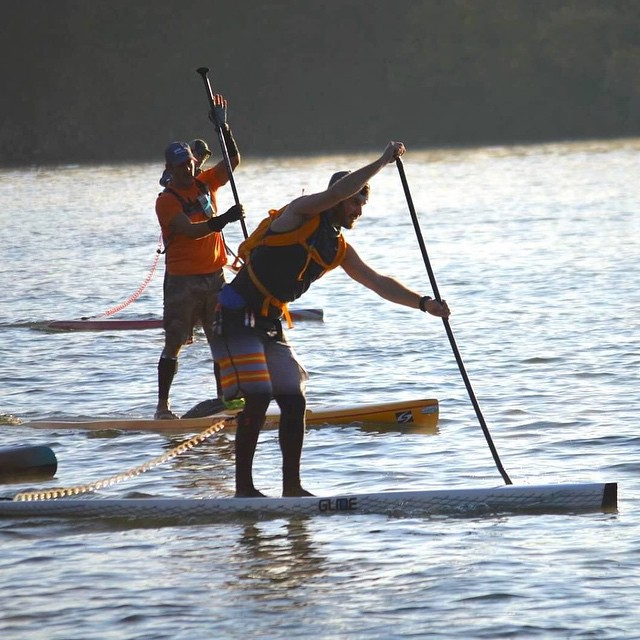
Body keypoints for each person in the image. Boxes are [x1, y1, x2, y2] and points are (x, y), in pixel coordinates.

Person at [212, 141, 451, 497]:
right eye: (354, 202)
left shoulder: (338, 248)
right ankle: (244, 491)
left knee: (294, 401)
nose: (358, 210)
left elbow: (379, 283)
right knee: (259, 398)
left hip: (270, 323)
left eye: (362, 204)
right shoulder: (299, 214)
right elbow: (339, 188)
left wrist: (424, 303)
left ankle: (292, 488)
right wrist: (383, 161)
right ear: (337, 199)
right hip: (235, 317)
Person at [154, 93, 244, 420]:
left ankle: (226, 403)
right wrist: (224, 220)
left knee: (221, 342)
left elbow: (233, 161)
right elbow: (190, 231)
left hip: (215, 277)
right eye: (180, 166)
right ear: (170, 169)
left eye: (190, 163)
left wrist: (223, 128)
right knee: (175, 342)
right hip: (183, 281)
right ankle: (163, 408)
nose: (187, 169)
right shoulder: (166, 200)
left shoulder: (206, 182)